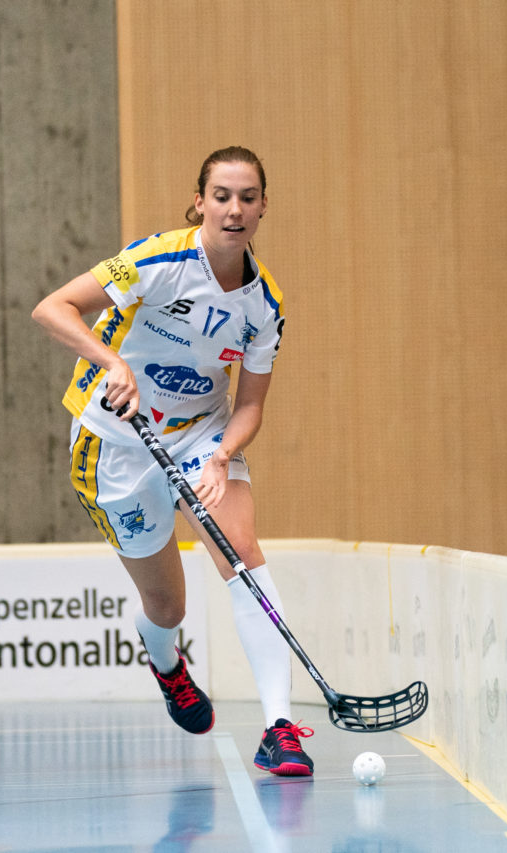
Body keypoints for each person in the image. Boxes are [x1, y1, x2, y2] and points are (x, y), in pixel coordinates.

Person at [31, 146, 314, 776]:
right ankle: (166, 663)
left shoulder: (264, 306)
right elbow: (52, 308)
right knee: (168, 607)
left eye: (247, 197)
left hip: (198, 438)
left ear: (263, 207)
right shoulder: (157, 261)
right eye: (222, 196)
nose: (234, 209)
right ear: (200, 202)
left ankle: (279, 728)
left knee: (240, 555)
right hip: (115, 442)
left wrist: (223, 457)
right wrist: (113, 362)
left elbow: (251, 406)